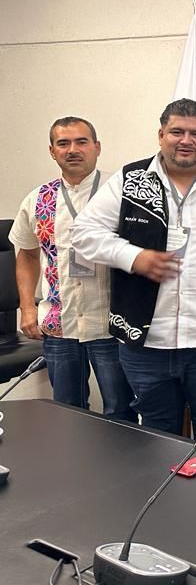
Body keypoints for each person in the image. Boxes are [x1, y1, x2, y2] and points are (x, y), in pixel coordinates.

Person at [72, 98, 196, 449]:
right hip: (146, 342)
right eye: (176, 131)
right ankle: (166, 504)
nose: (186, 140)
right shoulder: (130, 180)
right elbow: (83, 235)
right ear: (161, 135)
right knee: (157, 439)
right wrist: (133, 256)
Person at [9, 117, 134, 420]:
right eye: (63, 143)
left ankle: (121, 466)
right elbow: (26, 255)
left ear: (97, 147)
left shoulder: (121, 192)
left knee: (121, 409)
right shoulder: (38, 198)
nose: (73, 150)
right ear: (52, 151)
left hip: (111, 321)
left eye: (81, 142)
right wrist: (27, 308)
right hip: (59, 321)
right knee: (67, 411)